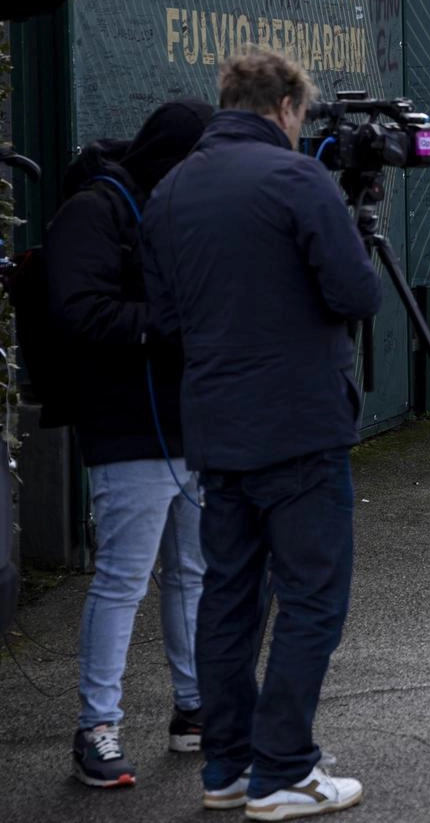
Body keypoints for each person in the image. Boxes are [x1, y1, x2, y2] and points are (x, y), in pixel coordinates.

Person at [141, 48, 380, 819]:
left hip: (217, 429)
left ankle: (229, 765)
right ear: (285, 107)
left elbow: (167, 319)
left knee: (228, 598)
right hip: (301, 426)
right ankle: (284, 770)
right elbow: (354, 291)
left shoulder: (171, 190)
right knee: (313, 598)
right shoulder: (295, 178)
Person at [43, 98, 215, 788]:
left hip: (189, 418)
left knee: (191, 572)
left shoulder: (175, 205)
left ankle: (196, 708)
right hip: (125, 422)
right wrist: (167, 323)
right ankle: (97, 728)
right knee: (122, 581)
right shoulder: (97, 208)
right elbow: (77, 309)